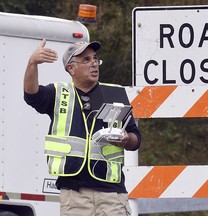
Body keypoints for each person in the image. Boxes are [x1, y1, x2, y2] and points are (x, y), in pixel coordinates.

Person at [24, 39, 141, 216]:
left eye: (95, 58)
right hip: (74, 196)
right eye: (86, 60)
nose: (94, 63)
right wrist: (32, 63)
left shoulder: (114, 93)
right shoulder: (59, 93)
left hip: (112, 195)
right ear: (71, 68)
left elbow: (136, 138)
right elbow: (31, 95)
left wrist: (126, 139)